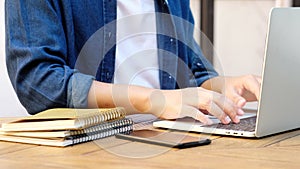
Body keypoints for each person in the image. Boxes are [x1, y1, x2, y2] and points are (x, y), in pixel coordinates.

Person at [5, 0, 260, 125]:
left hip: (169, 140)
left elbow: (187, 64)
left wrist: (217, 87)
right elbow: (37, 82)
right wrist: (153, 99)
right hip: (85, 150)